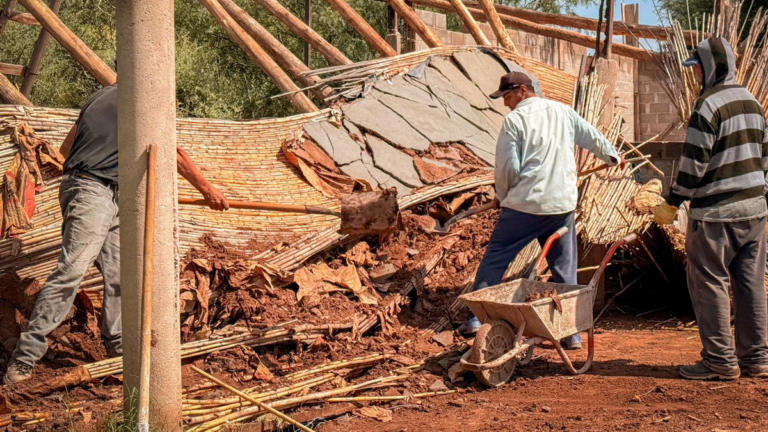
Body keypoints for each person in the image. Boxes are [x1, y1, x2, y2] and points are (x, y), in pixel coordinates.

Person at [4, 84, 229, 384]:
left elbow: (65, 150)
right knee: (71, 271)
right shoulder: (146, 96)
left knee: (119, 273)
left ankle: (119, 353)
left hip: (93, 188)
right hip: (92, 191)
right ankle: (24, 359)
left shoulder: (98, 97)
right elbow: (175, 152)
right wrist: (209, 190)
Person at [458, 72, 623, 350]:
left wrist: (502, 194)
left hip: (524, 206)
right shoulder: (563, 112)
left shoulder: (515, 121)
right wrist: (612, 155)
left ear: (523, 90)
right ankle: (570, 334)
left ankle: (476, 318)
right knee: (564, 271)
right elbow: (591, 136)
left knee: (497, 257)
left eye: (508, 97)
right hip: (561, 206)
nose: (506, 104)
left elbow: (507, 168)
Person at [654, 37, 768, 380]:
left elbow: (693, 166)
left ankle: (719, 361)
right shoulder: (753, 103)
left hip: (716, 215)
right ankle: (758, 358)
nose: (696, 74)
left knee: (710, 282)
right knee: (751, 284)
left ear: (713, 67)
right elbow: (765, 159)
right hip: (755, 211)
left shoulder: (707, 106)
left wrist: (672, 202)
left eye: (699, 67)